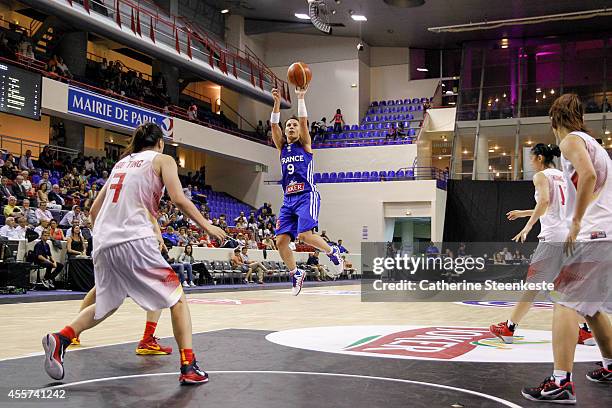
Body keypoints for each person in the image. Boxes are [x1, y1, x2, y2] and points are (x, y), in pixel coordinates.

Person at [41, 122, 226, 385]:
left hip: (104, 242)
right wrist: (207, 226)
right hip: (134, 240)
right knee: (177, 298)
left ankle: (61, 339)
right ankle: (188, 365)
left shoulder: (122, 164)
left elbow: (94, 210)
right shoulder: (163, 160)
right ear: (160, 143)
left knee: (108, 303)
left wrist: (109, 236)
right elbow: (178, 199)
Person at [521, 94, 612, 403]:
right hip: (606, 234)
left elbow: (587, 175)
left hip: (593, 234)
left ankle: (561, 382)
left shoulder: (571, 141)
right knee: (591, 307)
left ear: (553, 120)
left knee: (563, 298)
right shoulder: (595, 144)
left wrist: (576, 222)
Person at [490, 143, 594, 347]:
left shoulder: (540, 176)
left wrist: (527, 227)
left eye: (531, 158)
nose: (530, 162)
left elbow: (545, 201)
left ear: (539, 158)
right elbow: (554, 206)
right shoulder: (564, 176)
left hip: (551, 238)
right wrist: (524, 212)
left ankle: (509, 328)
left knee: (532, 286)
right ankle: (586, 331)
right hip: (568, 236)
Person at [270, 86, 343, 295]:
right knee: (280, 241)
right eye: (289, 125)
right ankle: (295, 273)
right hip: (288, 200)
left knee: (304, 236)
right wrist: (276, 103)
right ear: (285, 131)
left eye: (294, 125)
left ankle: (332, 251)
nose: (292, 126)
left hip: (306, 195)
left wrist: (301, 98)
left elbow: (303, 122)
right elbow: (274, 124)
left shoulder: (306, 145)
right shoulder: (282, 147)